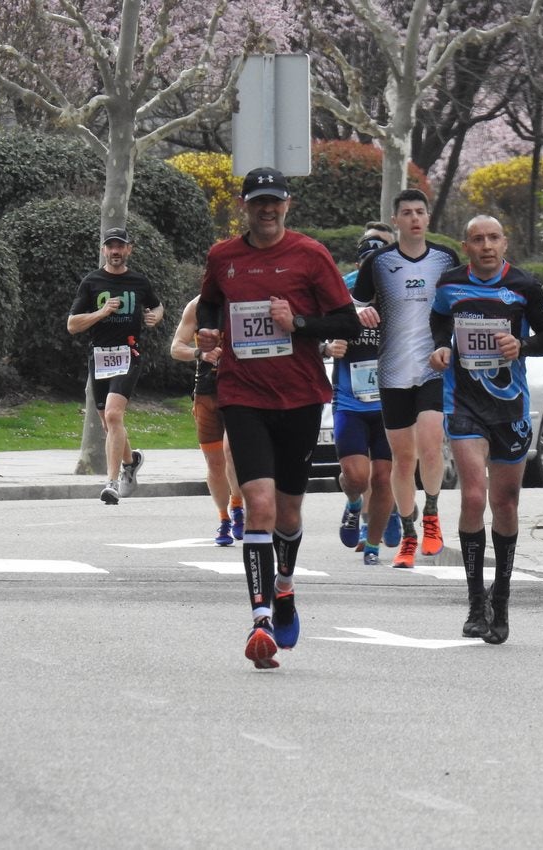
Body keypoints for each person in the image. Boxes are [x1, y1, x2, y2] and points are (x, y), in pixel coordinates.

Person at [196, 166, 360, 670]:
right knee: (260, 505)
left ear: (287, 205)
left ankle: (284, 588)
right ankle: (260, 617)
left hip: (300, 398)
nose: (267, 209)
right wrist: (207, 335)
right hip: (243, 395)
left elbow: (346, 320)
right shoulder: (223, 257)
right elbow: (208, 306)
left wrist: (300, 323)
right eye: (257, 202)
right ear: (244, 206)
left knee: (288, 513)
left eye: (275, 201)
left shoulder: (310, 255)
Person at [428, 215, 543, 643]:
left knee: (505, 504)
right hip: (463, 402)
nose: (486, 245)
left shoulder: (525, 287)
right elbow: (438, 323)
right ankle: (473, 602)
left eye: (494, 238)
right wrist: (439, 348)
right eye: (477, 239)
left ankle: (500, 597)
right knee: (472, 495)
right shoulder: (449, 284)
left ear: (505, 243)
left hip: (511, 407)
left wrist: (521, 345)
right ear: (466, 246)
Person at [354, 189, 460, 568]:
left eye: (420, 212)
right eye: (407, 213)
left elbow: (455, 306)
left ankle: (431, 515)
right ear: (395, 220)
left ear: (428, 218)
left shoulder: (446, 259)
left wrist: (446, 343)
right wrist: (359, 311)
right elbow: (354, 300)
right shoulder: (379, 263)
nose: (414, 219)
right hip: (393, 370)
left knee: (431, 444)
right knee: (403, 458)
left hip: (432, 367)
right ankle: (409, 534)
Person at [67, 227, 163, 505]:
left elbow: (158, 306)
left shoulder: (139, 282)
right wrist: (102, 311)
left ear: (129, 249)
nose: (116, 251)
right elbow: (72, 325)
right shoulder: (91, 282)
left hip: (128, 354)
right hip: (99, 357)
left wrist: (155, 316)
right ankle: (131, 462)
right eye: (111, 246)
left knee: (112, 415)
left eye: (120, 246)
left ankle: (111, 483)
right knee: (109, 423)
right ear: (103, 250)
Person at [329, 224, 402, 564]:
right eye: (366, 266)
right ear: (359, 267)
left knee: (384, 475)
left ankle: (372, 545)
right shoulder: (341, 294)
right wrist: (331, 344)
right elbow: (317, 333)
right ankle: (355, 502)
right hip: (350, 400)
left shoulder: (398, 295)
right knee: (357, 477)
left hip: (389, 401)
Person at [170, 294, 246, 546]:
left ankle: (237, 504)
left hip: (239, 391)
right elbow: (176, 348)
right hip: (205, 393)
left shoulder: (244, 300)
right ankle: (224, 518)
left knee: (232, 451)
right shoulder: (197, 306)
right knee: (214, 463)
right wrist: (199, 354)